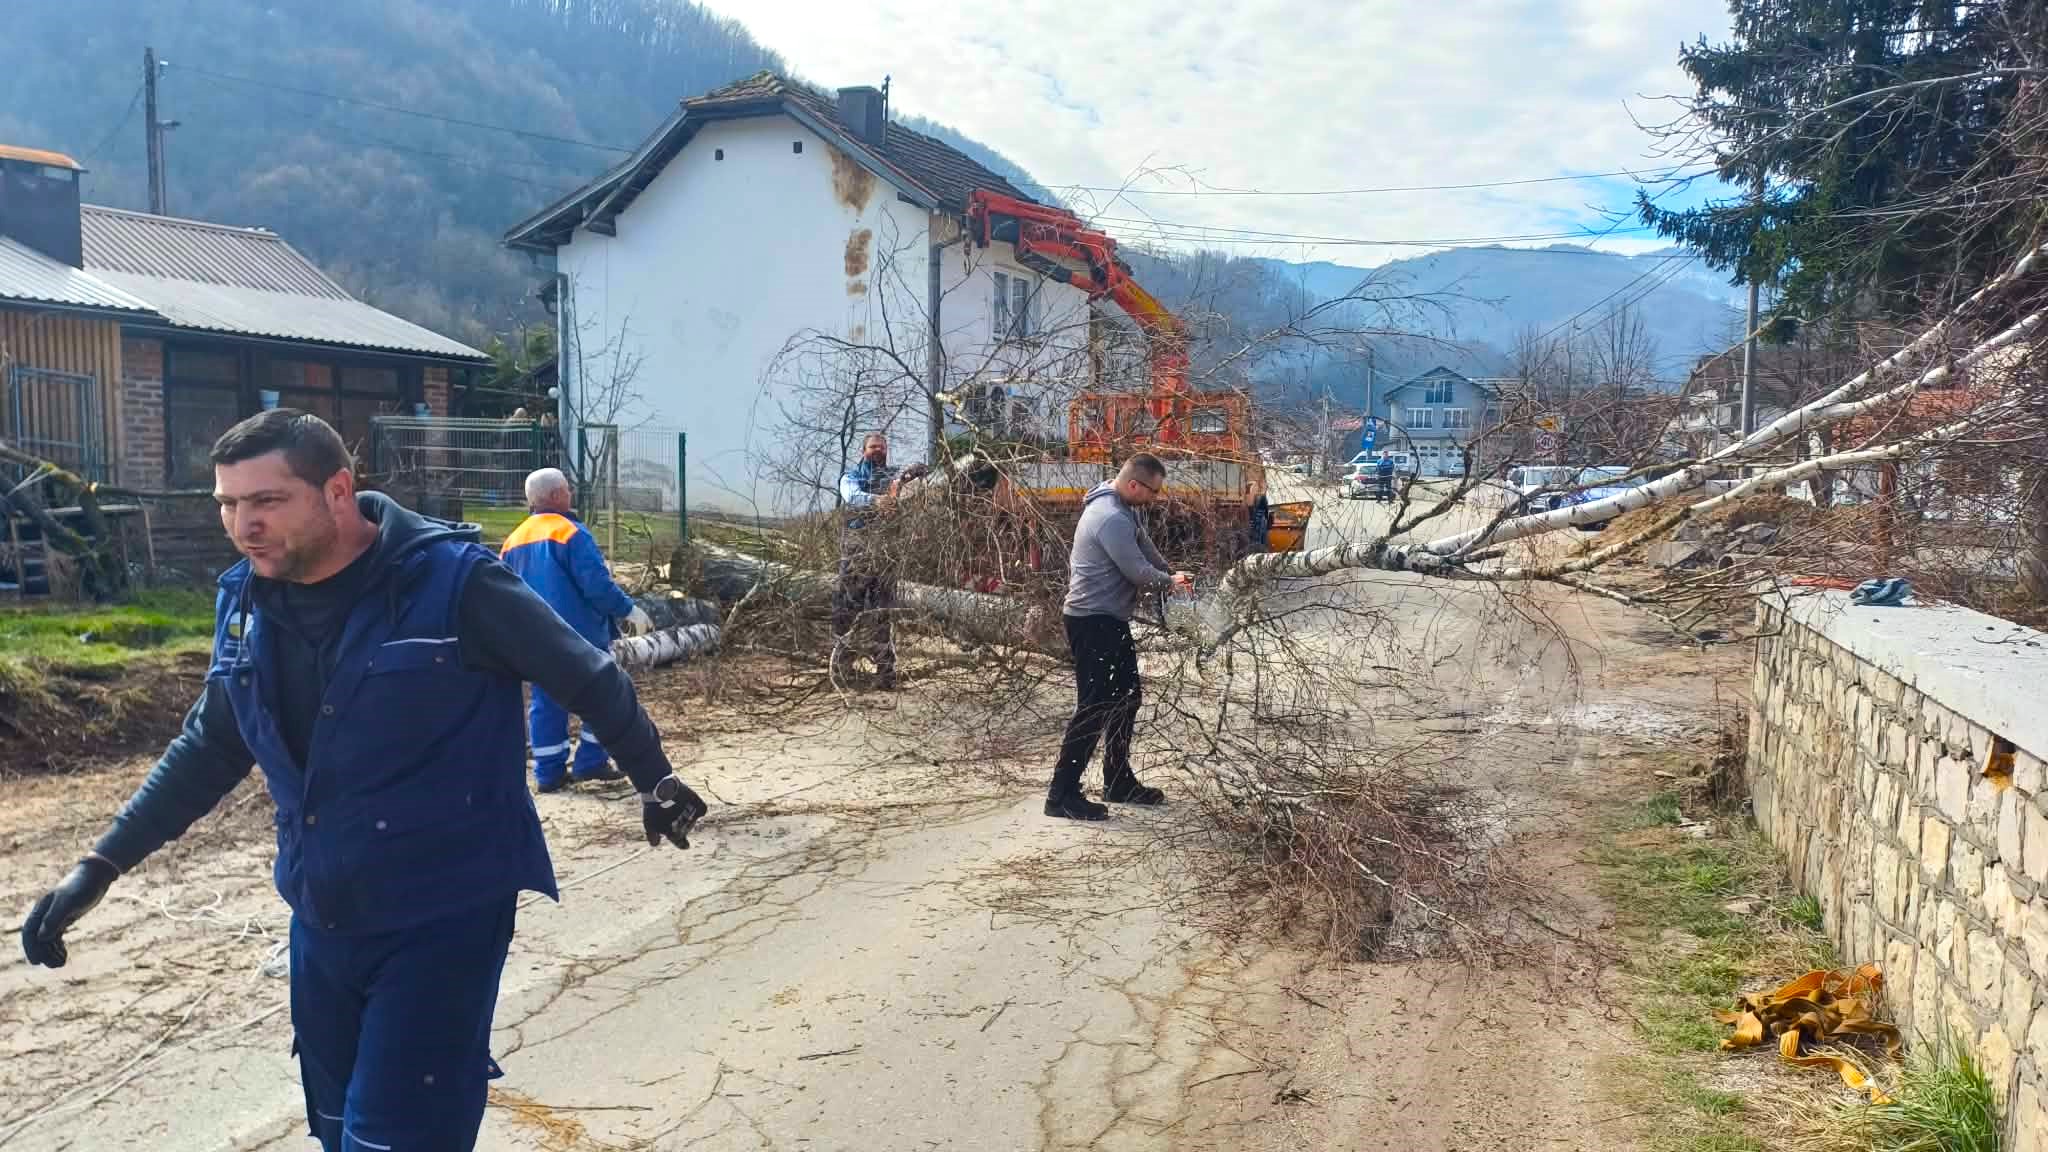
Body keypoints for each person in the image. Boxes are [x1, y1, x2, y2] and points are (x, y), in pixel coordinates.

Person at [18, 410, 707, 1152]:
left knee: (396, 1141)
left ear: (338, 490)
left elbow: (590, 677)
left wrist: (653, 778)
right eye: (227, 504)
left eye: (266, 502)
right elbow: (211, 745)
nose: (243, 524)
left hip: (444, 914)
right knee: (338, 1131)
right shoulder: (245, 602)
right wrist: (100, 866)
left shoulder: (454, 584)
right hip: (322, 916)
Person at [1045, 454, 1192, 821]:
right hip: (1091, 621)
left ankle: (1118, 780)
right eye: (1152, 491)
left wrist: (1171, 574)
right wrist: (1166, 583)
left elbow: (1146, 551)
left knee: (1128, 698)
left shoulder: (1128, 510)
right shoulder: (1109, 516)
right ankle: (1061, 795)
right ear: (1133, 485)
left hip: (1110, 620)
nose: (1155, 498)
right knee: (1094, 706)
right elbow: (1135, 570)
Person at [501, 467, 654, 793]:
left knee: (545, 703)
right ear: (556, 495)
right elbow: (596, 586)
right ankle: (590, 762)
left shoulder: (512, 541)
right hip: (580, 636)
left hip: (534, 639)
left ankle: (548, 773)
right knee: (602, 697)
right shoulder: (571, 533)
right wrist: (629, 609)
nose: (570, 494)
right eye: (567, 490)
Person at [835, 431, 925, 689]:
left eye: (882, 447)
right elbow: (851, 496)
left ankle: (885, 673)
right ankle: (842, 668)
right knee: (846, 609)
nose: (878, 450)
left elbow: (917, 477)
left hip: (885, 553)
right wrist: (878, 501)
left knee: (882, 613)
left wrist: (914, 472)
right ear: (864, 451)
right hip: (856, 552)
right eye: (873, 447)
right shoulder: (851, 477)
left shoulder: (894, 476)